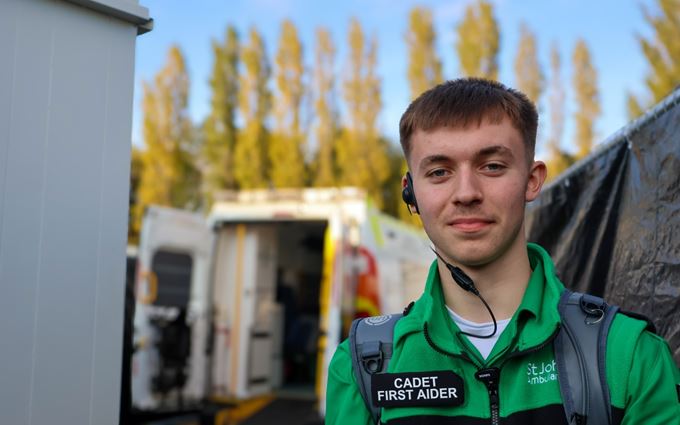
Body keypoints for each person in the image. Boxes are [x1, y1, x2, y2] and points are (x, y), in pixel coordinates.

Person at [325, 78, 680, 424]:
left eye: (492, 166)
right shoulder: (362, 366)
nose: (466, 193)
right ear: (411, 192)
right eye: (438, 171)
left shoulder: (631, 355)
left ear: (532, 179)